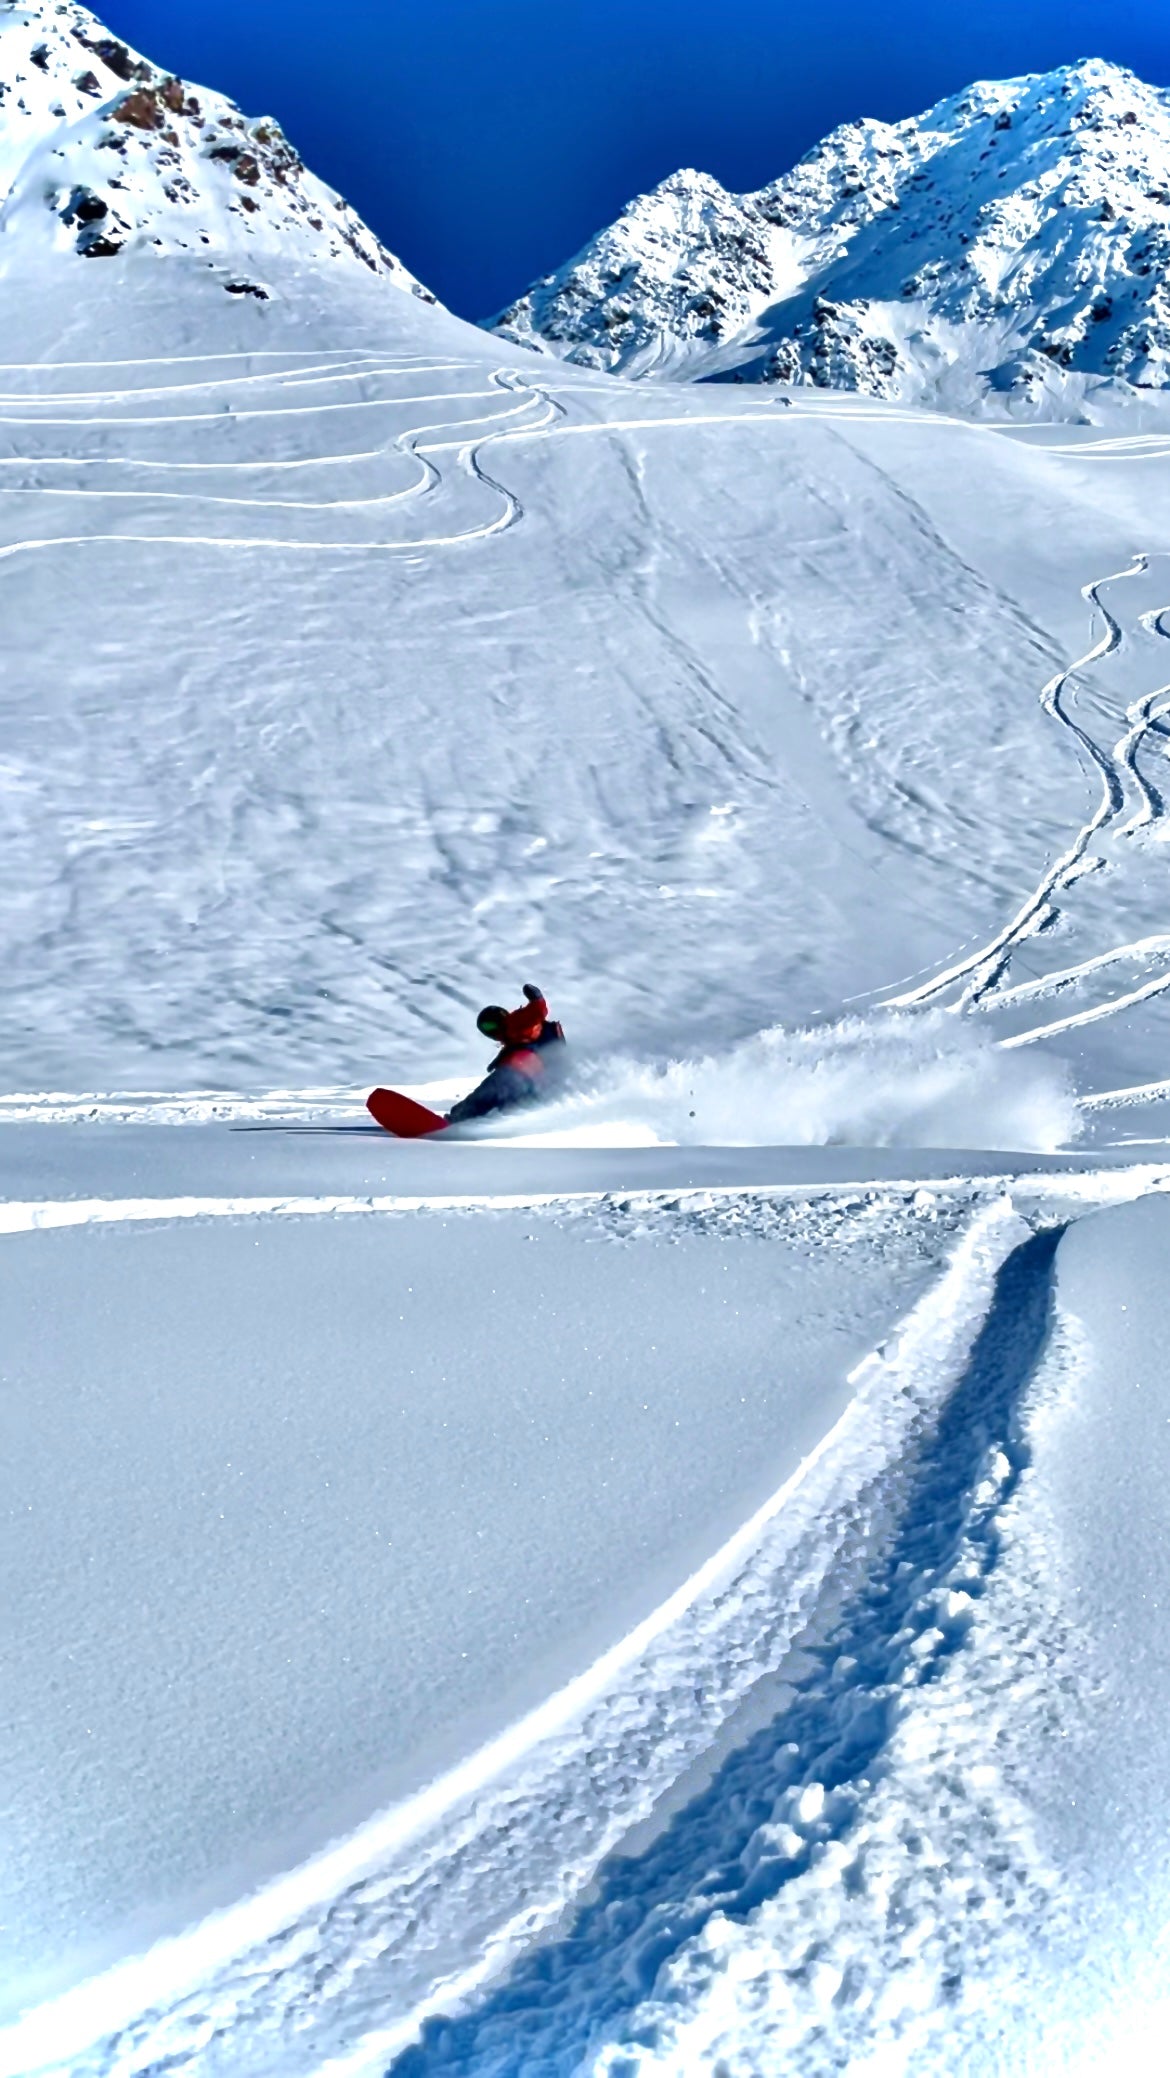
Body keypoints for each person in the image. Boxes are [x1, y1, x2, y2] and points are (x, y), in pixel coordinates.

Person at [447, 984, 566, 1124]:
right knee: (501, 1100)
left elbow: (537, 1012)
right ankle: (469, 1121)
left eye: (491, 1025)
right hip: (534, 1080)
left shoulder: (513, 1023)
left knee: (491, 1088)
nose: (491, 1031)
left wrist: (537, 998)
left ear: (500, 1017)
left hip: (525, 1068)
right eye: (486, 1028)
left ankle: (457, 1118)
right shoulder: (512, 1040)